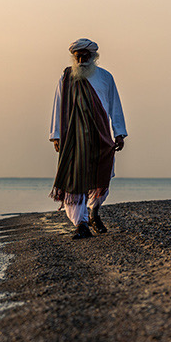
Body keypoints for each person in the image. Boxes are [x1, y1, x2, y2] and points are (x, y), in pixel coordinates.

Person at [49, 38, 127, 239]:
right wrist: (56, 135)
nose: (82, 60)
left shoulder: (105, 77)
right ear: (73, 57)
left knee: (103, 173)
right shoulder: (66, 78)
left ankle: (93, 212)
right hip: (73, 137)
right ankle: (81, 223)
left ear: (94, 57)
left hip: (100, 135)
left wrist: (119, 132)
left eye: (86, 56)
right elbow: (58, 106)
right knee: (74, 178)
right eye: (78, 56)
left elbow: (114, 106)